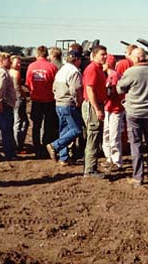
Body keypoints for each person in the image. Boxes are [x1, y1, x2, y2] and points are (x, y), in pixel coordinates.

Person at [117, 47, 148, 187]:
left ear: (136, 58)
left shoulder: (130, 72)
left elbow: (120, 88)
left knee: (136, 145)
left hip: (134, 113)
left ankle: (138, 177)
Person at [47, 50, 84, 166]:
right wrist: (78, 101)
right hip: (69, 104)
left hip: (59, 104)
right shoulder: (74, 72)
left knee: (64, 130)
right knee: (77, 129)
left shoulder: (61, 70)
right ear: (77, 60)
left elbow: (54, 87)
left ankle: (64, 158)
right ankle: (54, 146)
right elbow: (76, 89)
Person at [25, 46, 58, 158]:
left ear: (37, 55)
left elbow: (28, 84)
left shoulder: (31, 67)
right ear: (46, 54)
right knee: (48, 126)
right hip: (49, 100)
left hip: (36, 101)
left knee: (36, 125)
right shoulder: (52, 67)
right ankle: (46, 147)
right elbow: (56, 84)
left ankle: (37, 148)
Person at [82, 45, 108, 178]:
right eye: (102, 54)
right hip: (93, 105)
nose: (105, 57)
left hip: (97, 104)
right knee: (93, 136)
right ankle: (90, 170)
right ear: (94, 55)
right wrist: (97, 109)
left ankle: (90, 167)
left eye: (105, 54)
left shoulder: (99, 69)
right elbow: (89, 90)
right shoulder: (92, 69)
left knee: (94, 136)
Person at [101, 54, 124, 172]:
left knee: (113, 136)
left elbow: (112, 92)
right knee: (107, 134)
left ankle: (116, 161)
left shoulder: (113, 75)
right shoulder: (110, 75)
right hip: (109, 108)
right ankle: (110, 158)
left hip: (115, 109)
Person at [10, 55, 29, 153]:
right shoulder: (16, 73)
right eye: (17, 62)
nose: (19, 64)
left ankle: (16, 144)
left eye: (20, 63)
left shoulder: (8, 72)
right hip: (18, 99)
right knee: (21, 122)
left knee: (17, 121)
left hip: (12, 99)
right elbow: (17, 88)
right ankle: (17, 146)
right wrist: (23, 95)